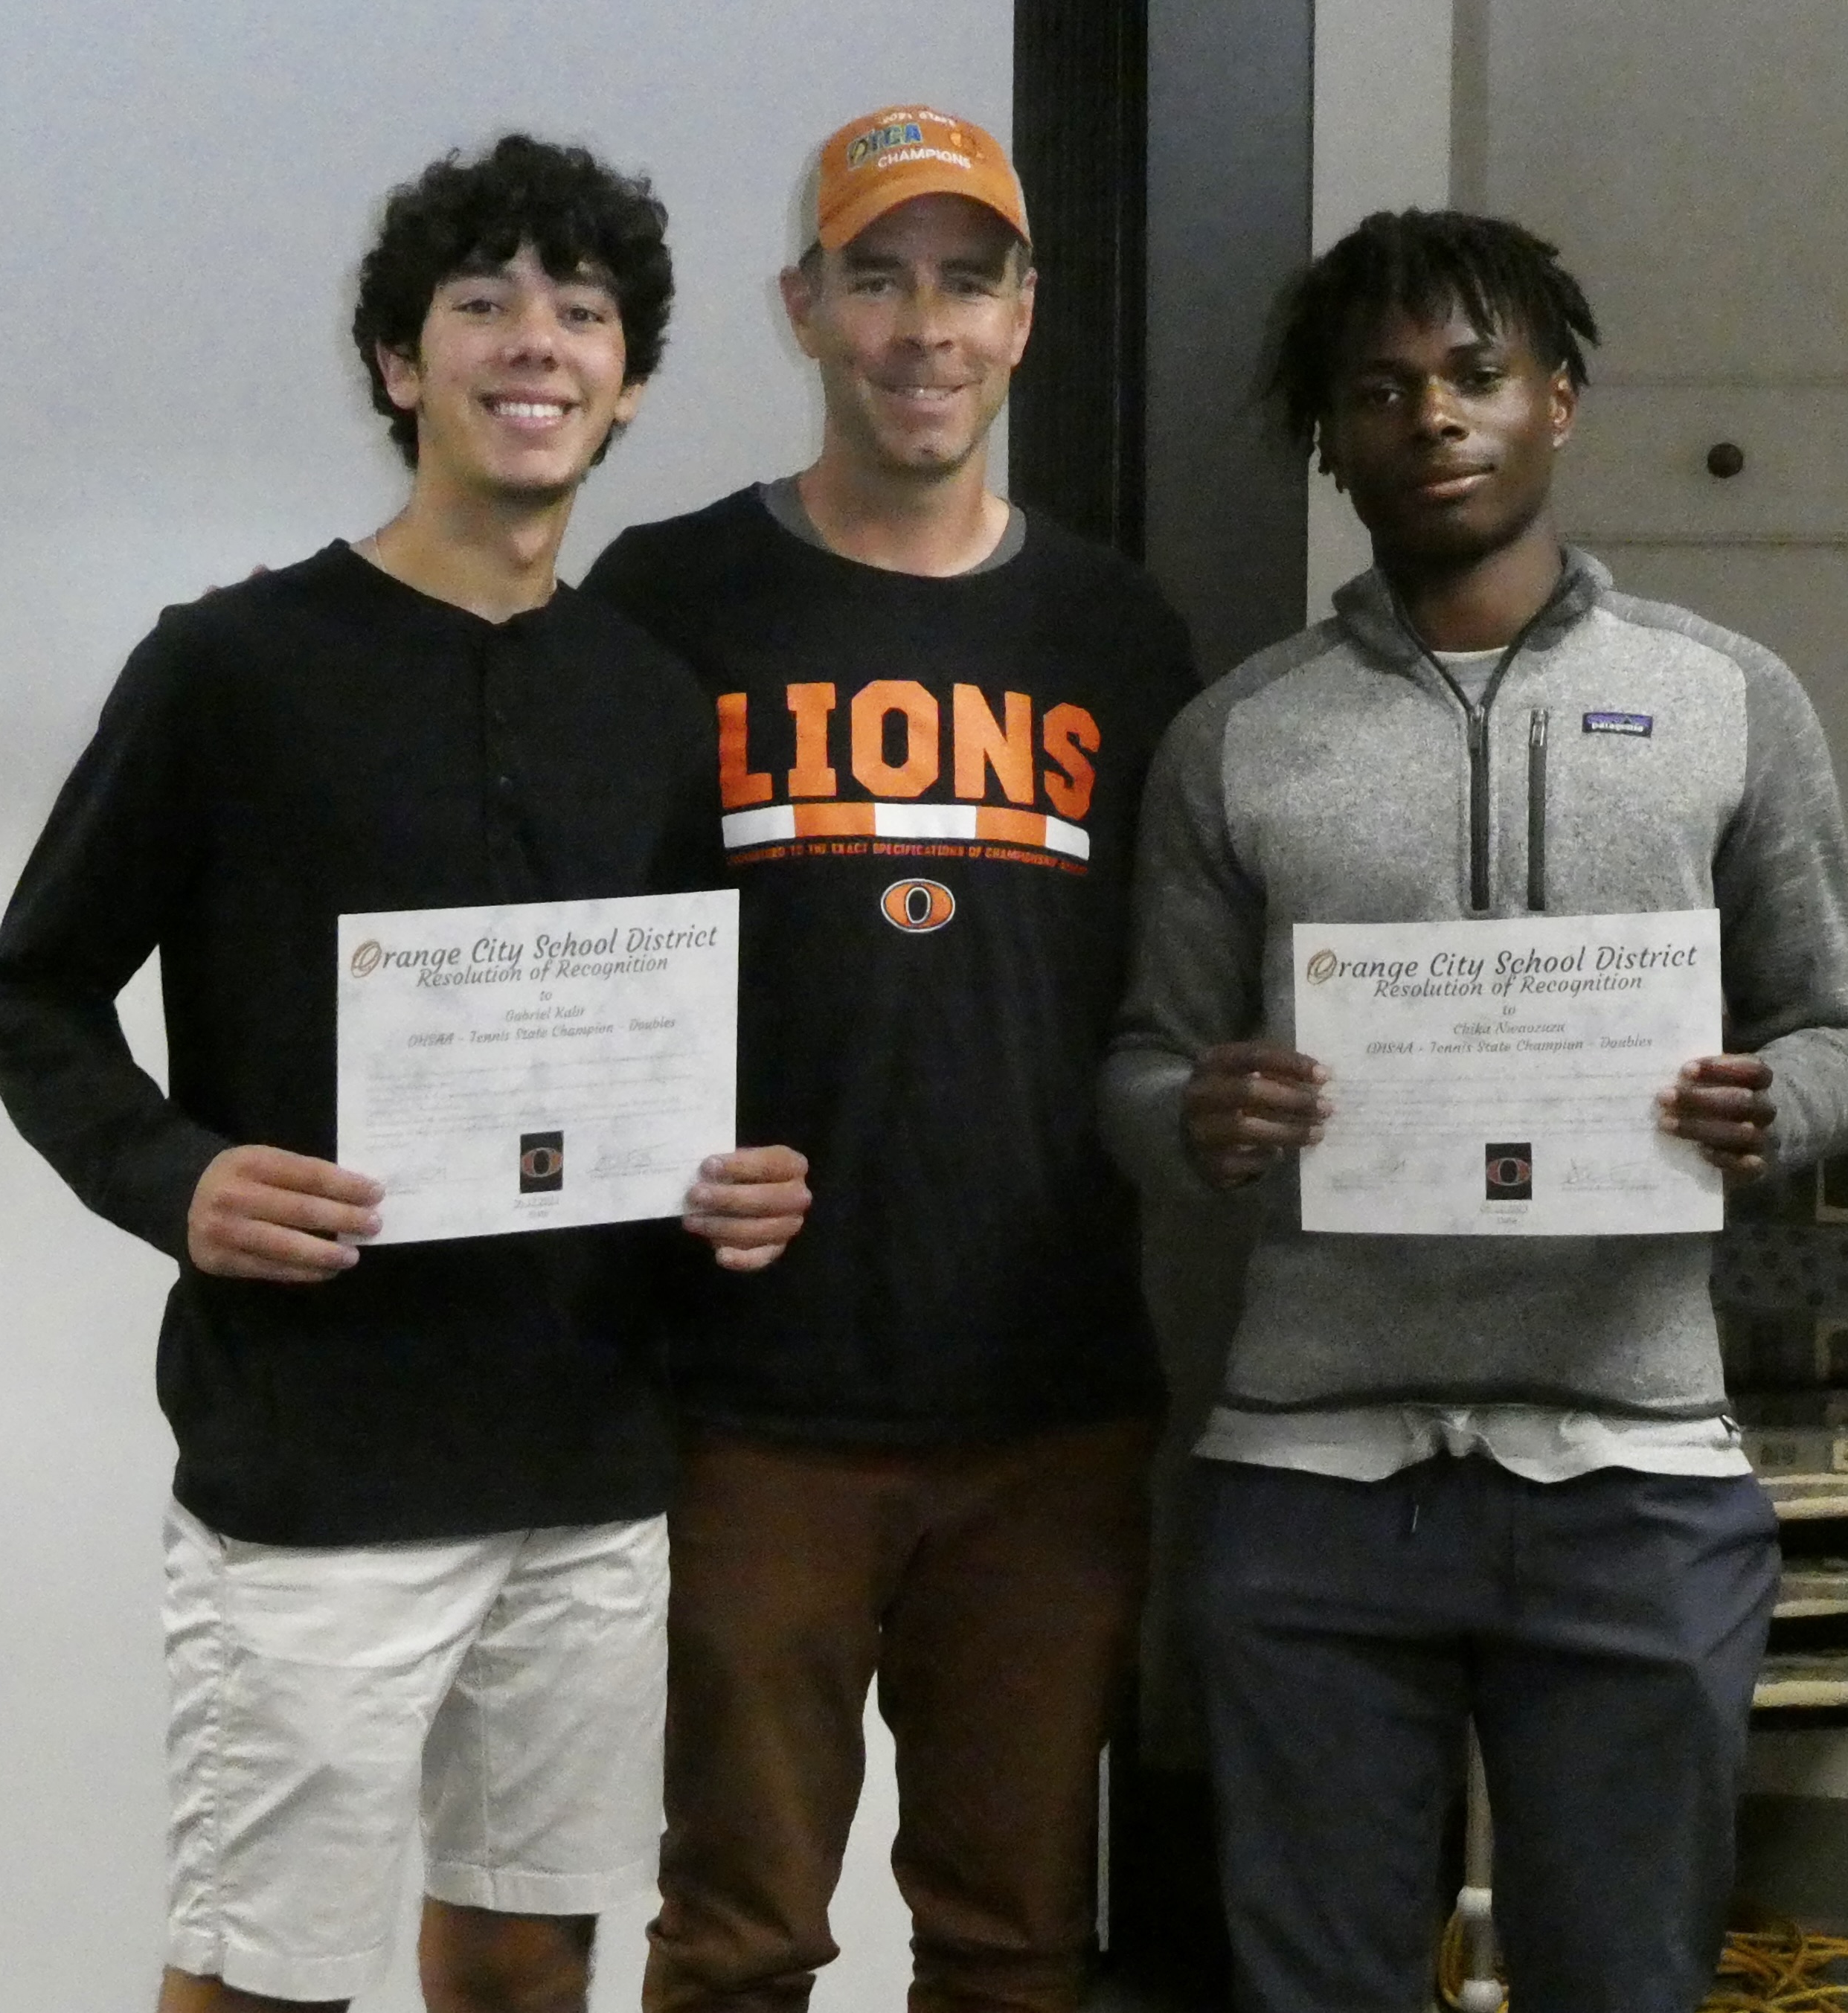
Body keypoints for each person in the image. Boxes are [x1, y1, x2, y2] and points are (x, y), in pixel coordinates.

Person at [0, 135, 807, 2013]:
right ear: (394, 365)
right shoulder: (231, 667)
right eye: (484, 302)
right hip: (316, 1460)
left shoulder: (651, 703)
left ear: (632, 380)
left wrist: (729, 1191)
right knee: (265, 1983)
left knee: (524, 1969)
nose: (536, 343)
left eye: (581, 312)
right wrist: (173, 1177)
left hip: (587, 1458)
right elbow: (31, 992)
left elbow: (674, 1049)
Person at [1100, 210, 1848, 2013]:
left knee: (1621, 1980)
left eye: (1472, 376)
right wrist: (1197, 1117)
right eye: (1378, 392)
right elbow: (1142, 1068)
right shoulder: (1241, 734)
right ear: (1330, 441)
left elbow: (1840, 1030)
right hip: (1307, 1477)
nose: (1431, 418)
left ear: (1559, 403)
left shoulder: (1721, 698)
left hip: (1631, 1470)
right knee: (1315, 1988)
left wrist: (1775, 1106)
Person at [585, 105, 1196, 2013]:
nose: (921, 329)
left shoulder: (1112, 627)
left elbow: (1174, 1005)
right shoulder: (666, 603)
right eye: (876, 279)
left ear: (1024, 317)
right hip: (752, 1405)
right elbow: (583, 978)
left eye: (965, 281)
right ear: (803, 309)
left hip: (1052, 1407)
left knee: (1015, 1941)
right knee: (739, 1933)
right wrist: (649, 1157)